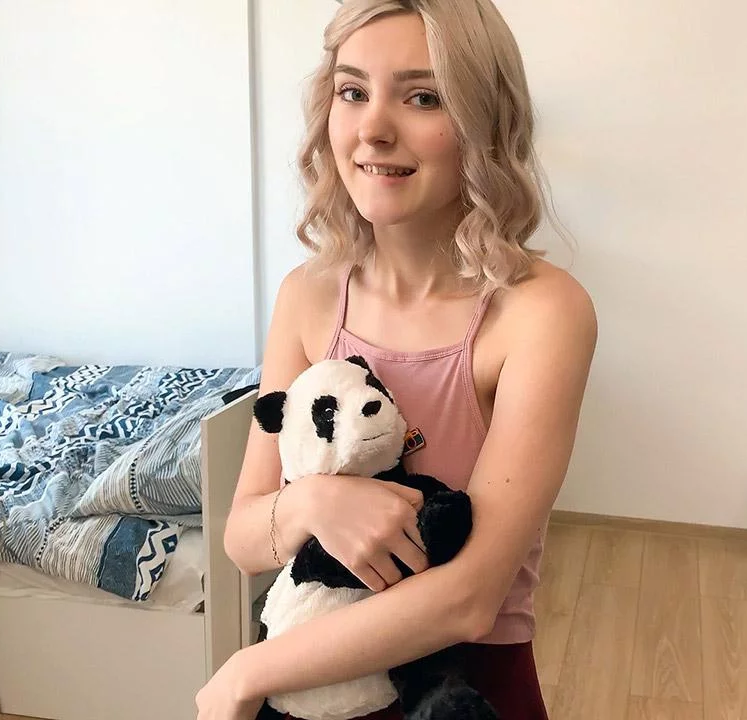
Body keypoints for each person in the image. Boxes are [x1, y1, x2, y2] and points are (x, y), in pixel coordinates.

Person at [194, 0, 596, 718]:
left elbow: (470, 599)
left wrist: (244, 673)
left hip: (461, 690)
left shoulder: (541, 313)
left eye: (423, 97)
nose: (373, 129)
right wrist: (314, 501)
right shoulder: (308, 296)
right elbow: (243, 538)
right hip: (314, 687)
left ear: (484, 123)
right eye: (352, 91)